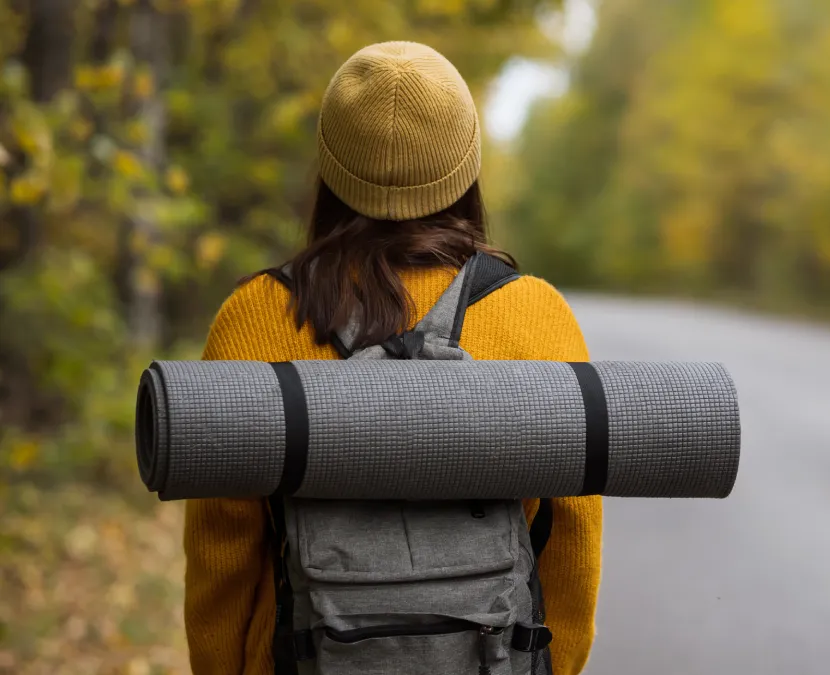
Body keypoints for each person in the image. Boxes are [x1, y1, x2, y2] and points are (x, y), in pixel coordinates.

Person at [183, 41, 602, 675]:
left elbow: (223, 555)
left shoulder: (255, 319)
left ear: (329, 165)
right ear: (466, 166)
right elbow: (572, 541)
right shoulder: (537, 316)